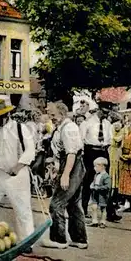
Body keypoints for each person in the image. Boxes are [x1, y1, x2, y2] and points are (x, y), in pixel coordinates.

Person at [0, 99, 36, 242]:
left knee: (22, 209)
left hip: (17, 174)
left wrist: (18, 166)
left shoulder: (20, 129)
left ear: (6, 115)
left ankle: (27, 241)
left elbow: (30, 150)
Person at [43, 102, 88, 249]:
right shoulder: (61, 127)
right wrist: (57, 169)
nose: (51, 118)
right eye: (49, 115)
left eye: (53, 115)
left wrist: (66, 175)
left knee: (56, 204)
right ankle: (79, 239)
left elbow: (71, 153)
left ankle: (58, 239)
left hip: (73, 164)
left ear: (62, 113)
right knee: (74, 203)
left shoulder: (69, 128)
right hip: (69, 164)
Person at [79, 102, 112, 217]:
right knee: (89, 180)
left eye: (107, 113)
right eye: (103, 112)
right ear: (98, 110)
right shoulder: (87, 123)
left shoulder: (107, 123)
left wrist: (106, 144)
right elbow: (81, 139)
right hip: (91, 151)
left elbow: (109, 139)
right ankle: (83, 208)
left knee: (106, 180)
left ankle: (109, 211)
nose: (105, 114)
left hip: (103, 150)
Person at [89, 157, 111, 228]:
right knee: (94, 207)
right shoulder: (96, 175)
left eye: (96, 166)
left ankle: (103, 221)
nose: (94, 168)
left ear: (102, 166)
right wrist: (92, 184)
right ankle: (94, 221)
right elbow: (94, 182)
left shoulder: (106, 176)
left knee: (103, 208)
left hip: (102, 195)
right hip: (95, 194)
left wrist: (98, 188)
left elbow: (108, 186)